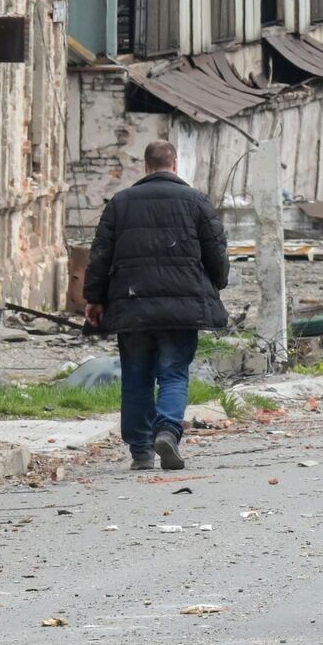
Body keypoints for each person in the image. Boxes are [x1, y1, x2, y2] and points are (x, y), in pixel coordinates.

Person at [82, 140, 229, 472]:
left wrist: (94, 298)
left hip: (131, 305)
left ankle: (141, 451)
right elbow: (217, 253)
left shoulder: (120, 203)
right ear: (175, 164)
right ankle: (167, 430)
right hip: (182, 308)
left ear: (145, 167)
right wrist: (216, 284)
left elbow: (100, 255)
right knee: (174, 373)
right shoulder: (197, 202)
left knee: (136, 375)